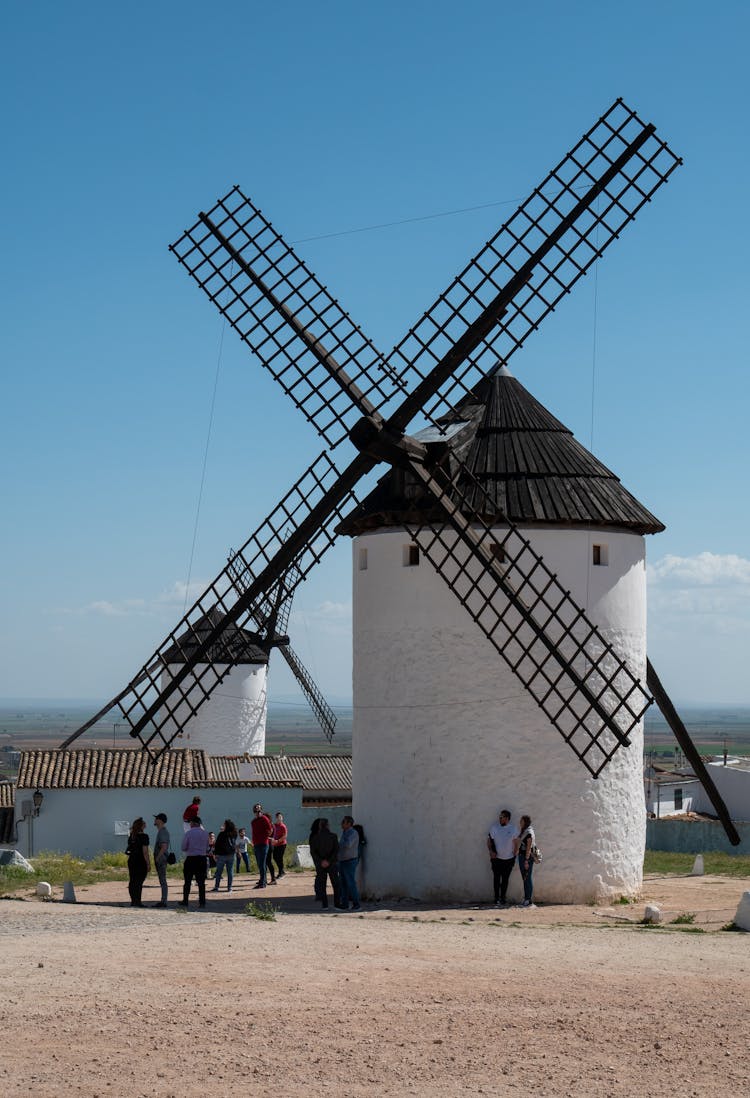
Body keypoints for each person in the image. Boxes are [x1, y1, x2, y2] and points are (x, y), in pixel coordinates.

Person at [487, 809, 518, 907]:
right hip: (496, 859)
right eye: (499, 817)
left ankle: (503, 898)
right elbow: (489, 841)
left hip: (509, 859)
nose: (500, 819)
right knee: (496, 879)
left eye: (502, 817)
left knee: (505, 879)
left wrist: (515, 852)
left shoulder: (513, 829)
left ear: (507, 818)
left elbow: (516, 841)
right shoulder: (494, 828)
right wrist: (491, 852)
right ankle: (496, 899)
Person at [309, 818, 340, 909]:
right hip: (332, 863)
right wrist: (329, 860)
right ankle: (337, 904)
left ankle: (325, 905)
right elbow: (336, 850)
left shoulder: (315, 837)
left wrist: (321, 861)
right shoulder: (333, 836)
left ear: (320, 826)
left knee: (322, 884)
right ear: (327, 825)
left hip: (320, 864)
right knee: (336, 884)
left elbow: (313, 852)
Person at [180, 816, 210, 908]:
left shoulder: (188, 833)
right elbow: (207, 847)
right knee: (201, 882)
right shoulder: (205, 834)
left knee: (187, 881)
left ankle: (185, 901)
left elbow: (183, 847)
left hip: (191, 858)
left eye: (191, 823)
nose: (190, 824)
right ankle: (202, 902)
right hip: (202, 859)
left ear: (194, 823)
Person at [126, 817, 150, 907]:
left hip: (132, 860)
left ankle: (133, 900)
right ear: (142, 826)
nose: (145, 825)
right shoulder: (144, 837)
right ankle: (138, 901)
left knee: (132, 880)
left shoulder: (132, 836)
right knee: (139, 882)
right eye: (144, 824)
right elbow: (145, 852)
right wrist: (148, 863)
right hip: (141, 861)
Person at [338, 815, 361, 911]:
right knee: (343, 883)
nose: (341, 823)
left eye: (343, 822)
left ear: (349, 823)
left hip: (350, 861)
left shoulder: (353, 833)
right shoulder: (345, 832)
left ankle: (356, 904)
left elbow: (348, 845)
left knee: (350, 883)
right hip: (343, 860)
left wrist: (339, 843)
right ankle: (345, 904)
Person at [515, 814, 537, 907]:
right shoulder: (524, 831)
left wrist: (527, 860)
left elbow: (529, 846)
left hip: (526, 858)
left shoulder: (529, 832)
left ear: (525, 822)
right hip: (522, 856)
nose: (520, 822)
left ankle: (528, 899)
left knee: (527, 878)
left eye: (521, 821)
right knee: (525, 878)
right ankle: (526, 898)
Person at [250, 803, 273, 889]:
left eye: (259, 810)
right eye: (256, 810)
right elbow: (254, 833)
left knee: (262, 863)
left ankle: (262, 883)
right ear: (254, 811)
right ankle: (263, 880)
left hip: (263, 843)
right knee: (260, 864)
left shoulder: (264, 818)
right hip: (256, 844)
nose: (258, 812)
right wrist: (253, 841)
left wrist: (266, 837)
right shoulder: (253, 821)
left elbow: (270, 829)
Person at [213, 819, 238, 892]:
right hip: (231, 854)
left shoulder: (222, 834)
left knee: (219, 872)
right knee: (230, 872)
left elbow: (217, 845)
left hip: (222, 855)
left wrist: (215, 853)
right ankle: (229, 887)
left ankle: (216, 887)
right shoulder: (234, 833)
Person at [152, 812, 171, 908]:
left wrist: (157, 858)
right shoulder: (161, 831)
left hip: (161, 859)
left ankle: (164, 901)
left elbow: (164, 847)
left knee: (162, 880)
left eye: (156, 818)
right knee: (162, 880)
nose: (154, 820)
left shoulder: (163, 832)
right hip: (162, 859)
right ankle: (163, 900)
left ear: (160, 820)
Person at [271, 812, 288, 879]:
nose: (280, 818)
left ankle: (281, 873)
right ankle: (282, 871)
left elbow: (285, 836)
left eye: (281, 817)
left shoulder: (283, 826)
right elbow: (271, 833)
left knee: (279, 858)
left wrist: (278, 841)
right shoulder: (274, 825)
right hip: (275, 844)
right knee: (275, 857)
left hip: (282, 844)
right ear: (276, 818)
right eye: (278, 817)